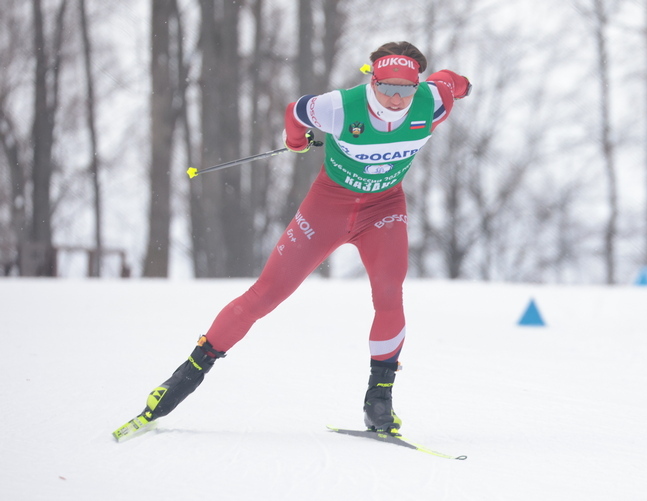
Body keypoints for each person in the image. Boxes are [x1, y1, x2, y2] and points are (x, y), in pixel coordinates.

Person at [113, 41, 471, 440]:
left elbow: (451, 83)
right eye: (385, 87)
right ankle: (182, 379)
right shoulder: (339, 106)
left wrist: (462, 85)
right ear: (371, 79)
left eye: (405, 90)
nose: (394, 98)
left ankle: (379, 400)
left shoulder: (433, 101)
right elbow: (297, 111)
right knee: (265, 295)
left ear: (417, 86)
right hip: (328, 208)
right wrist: (296, 139)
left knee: (389, 294)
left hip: (384, 210)